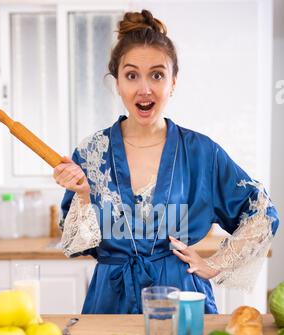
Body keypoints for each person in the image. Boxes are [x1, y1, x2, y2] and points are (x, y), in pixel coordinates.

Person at [55, 9, 279, 314]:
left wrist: (215, 264)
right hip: (111, 302)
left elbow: (262, 212)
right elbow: (75, 244)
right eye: (132, 75)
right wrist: (82, 195)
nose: (144, 89)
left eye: (157, 75)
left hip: (181, 300)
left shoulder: (201, 153)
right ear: (117, 82)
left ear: (173, 82)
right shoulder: (92, 152)